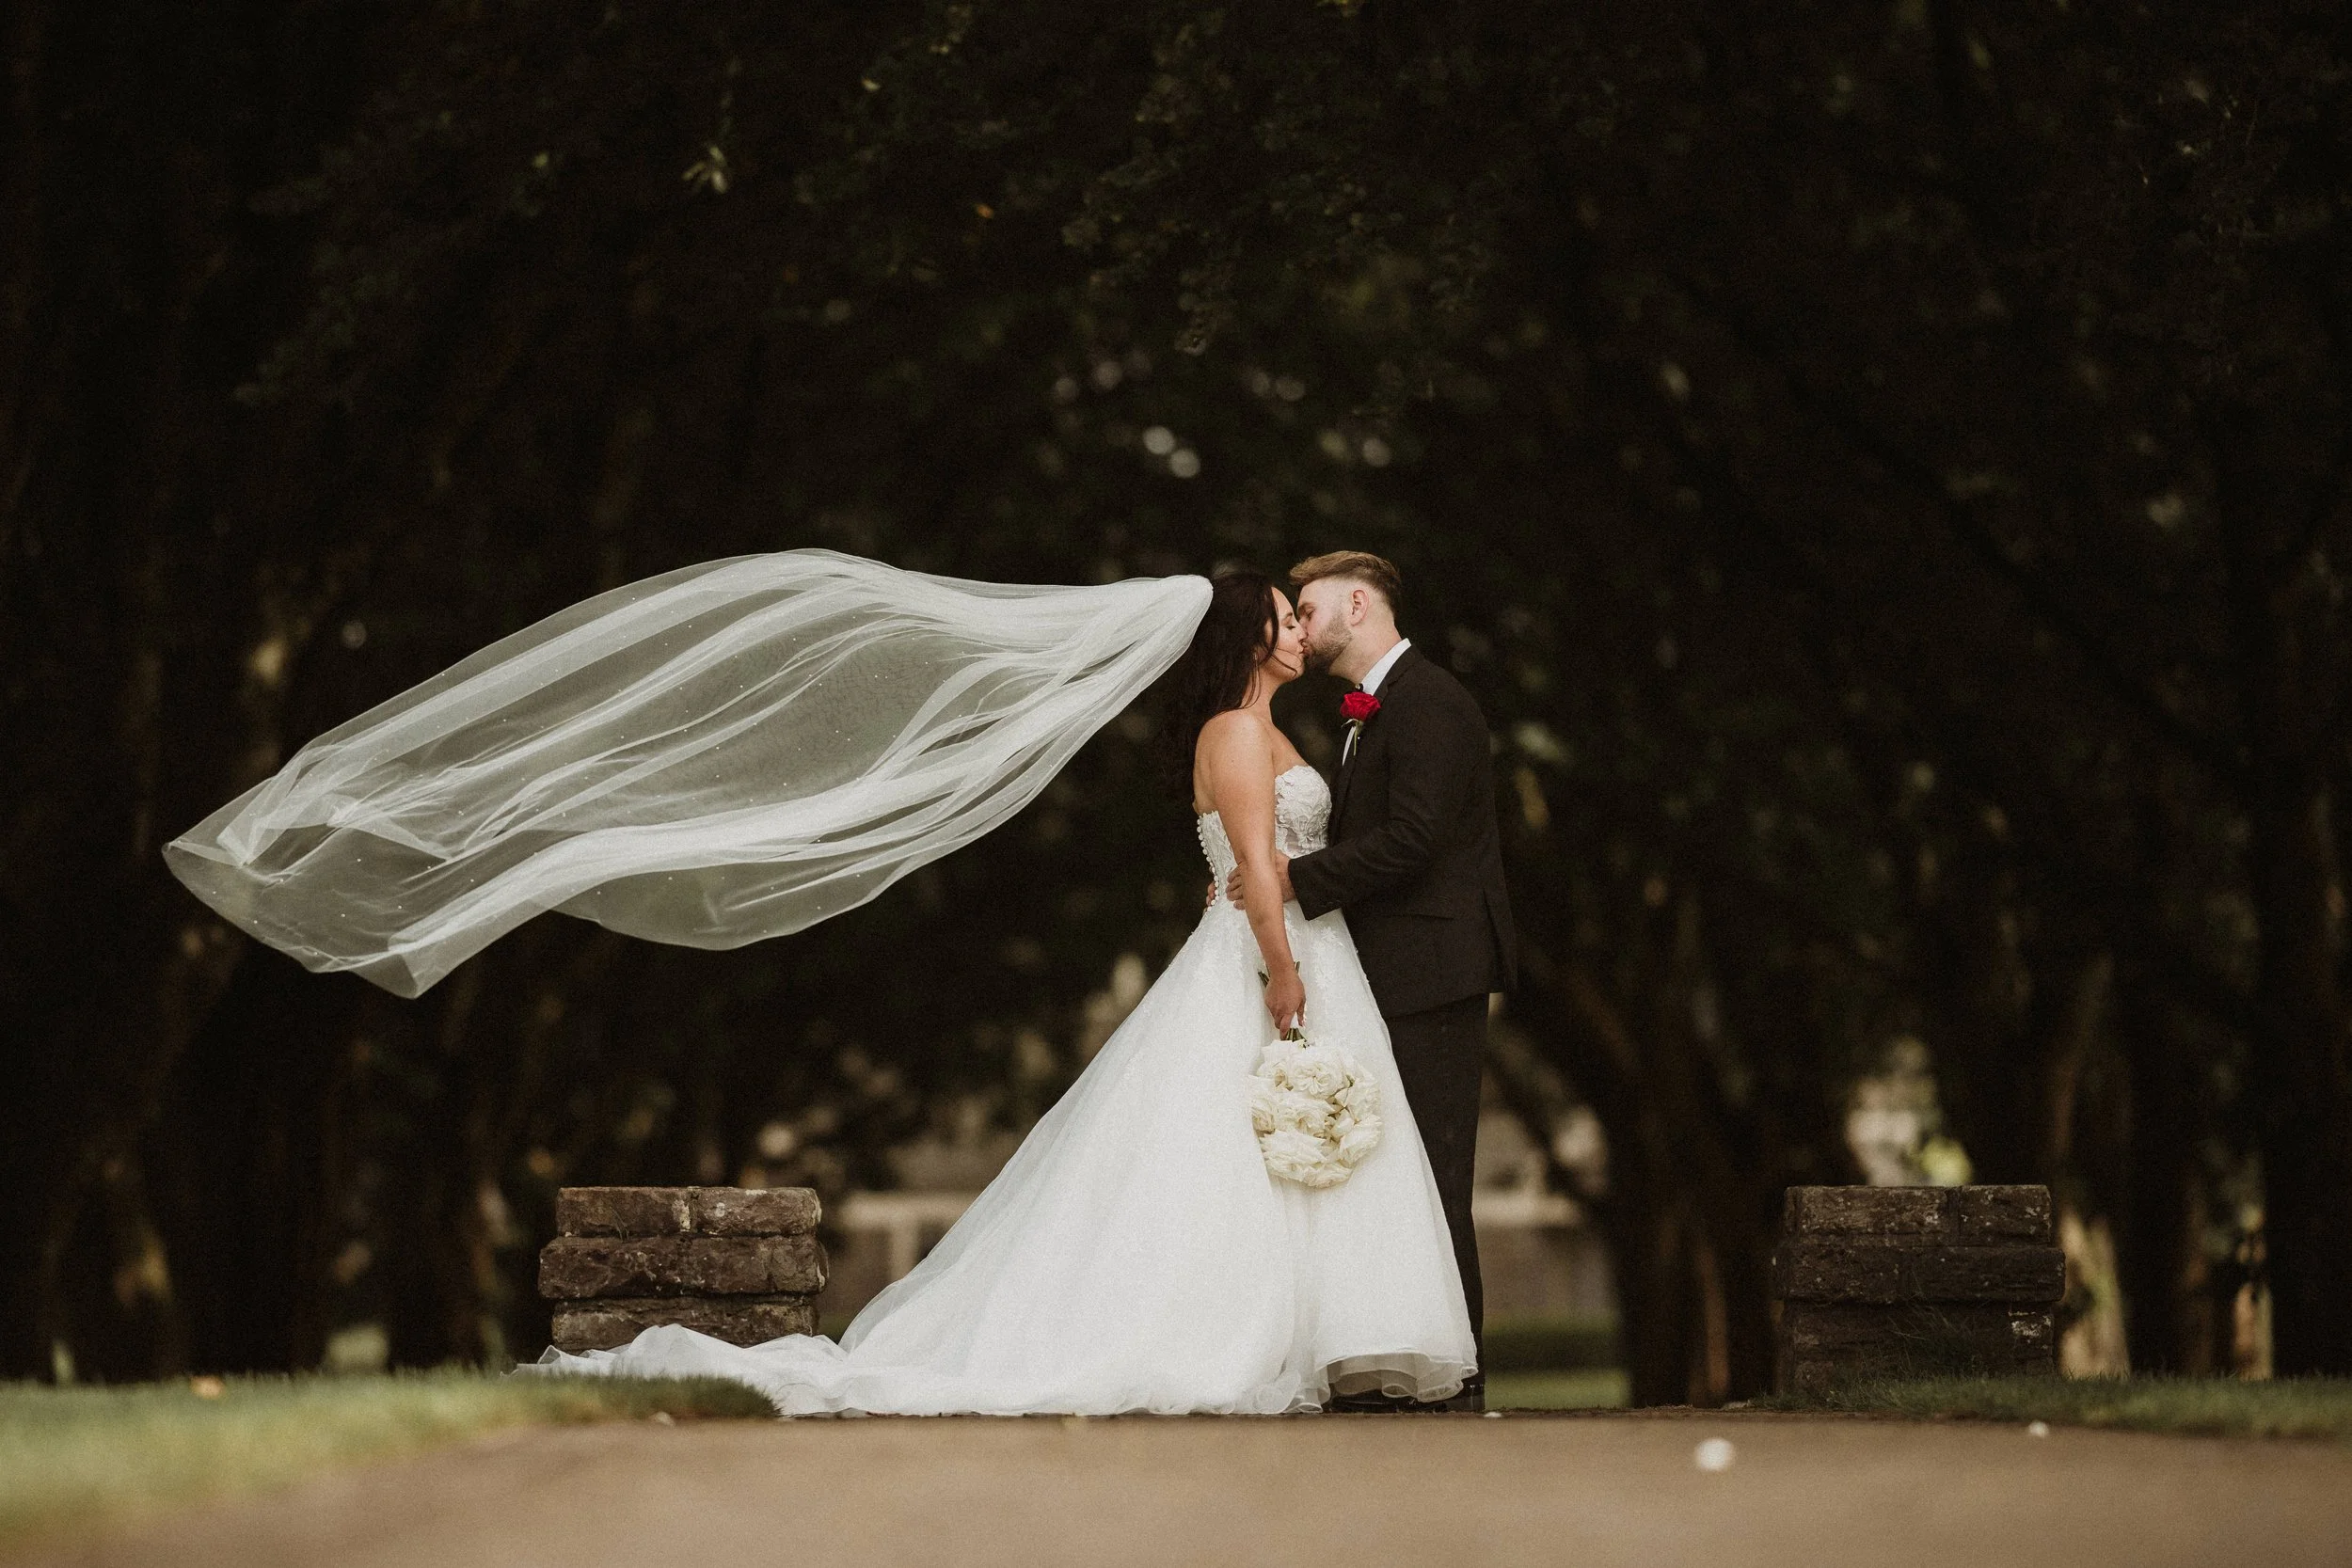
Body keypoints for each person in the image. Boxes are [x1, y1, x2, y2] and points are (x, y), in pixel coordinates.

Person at [520, 571, 1477, 1414]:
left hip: (1313, 951)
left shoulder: (1271, 729)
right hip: (1267, 956)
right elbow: (1261, 871)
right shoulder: (1233, 731)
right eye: (1280, 616)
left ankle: (1310, 1341)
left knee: (1294, 1156)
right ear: (1243, 638)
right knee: (1228, 1152)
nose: (1298, 629)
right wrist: (1281, 973)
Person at [1227, 552, 1516, 1412]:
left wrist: (1291, 881)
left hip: (1432, 968)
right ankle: (1409, 1368)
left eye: (1308, 611)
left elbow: (1417, 839)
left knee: (1437, 1174)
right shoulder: (1369, 711)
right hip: (1388, 969)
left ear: (1359, 604)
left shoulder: (1429, 700)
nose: (1301, 629)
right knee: (1399, 1177)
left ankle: (1459, 1381)